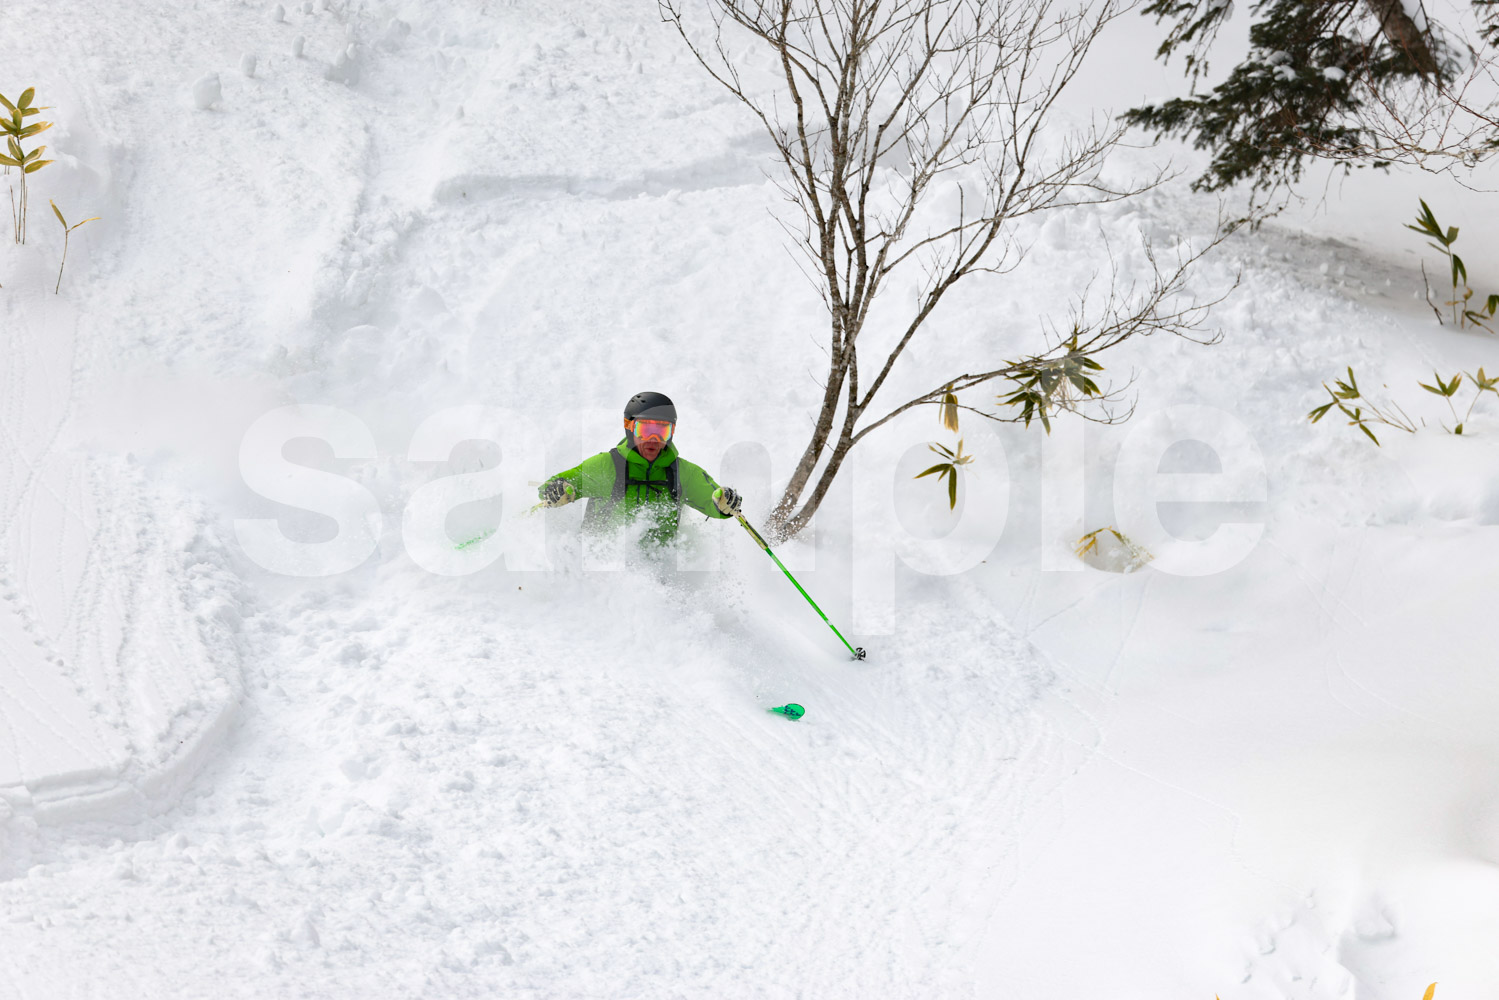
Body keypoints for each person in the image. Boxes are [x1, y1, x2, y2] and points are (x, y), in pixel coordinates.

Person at [537, 391, 742, 544]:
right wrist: (557, 489)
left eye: (662, 431)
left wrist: (724, 501)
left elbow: (712, 498)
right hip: (600, 569)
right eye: (645, 430)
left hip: (658, 574)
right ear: (629, 427)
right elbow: (558, 484)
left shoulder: (682, 473)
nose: (653, 439)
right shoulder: (607, 466)